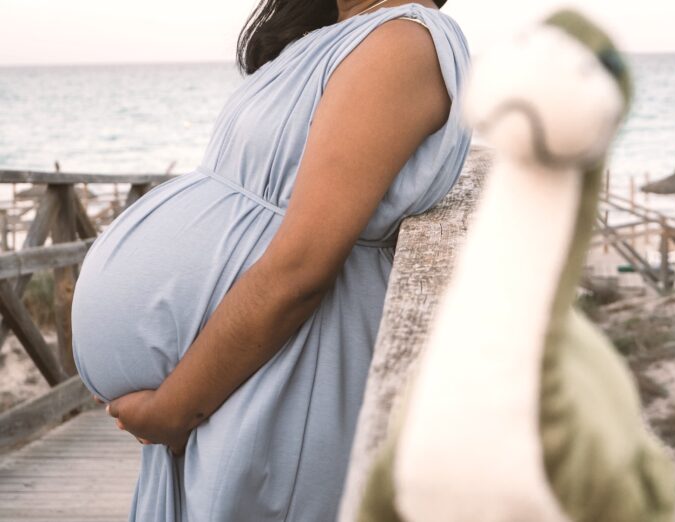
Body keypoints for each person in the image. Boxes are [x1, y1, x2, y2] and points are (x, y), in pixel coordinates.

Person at [70, 0, 472, 520]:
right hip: (241, 367)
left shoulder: (403, 42)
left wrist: (174, 408)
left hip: (288, 359)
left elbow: (302, 265)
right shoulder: (338, 37)